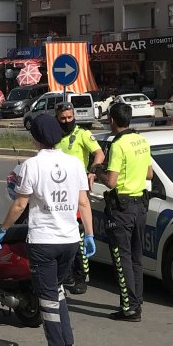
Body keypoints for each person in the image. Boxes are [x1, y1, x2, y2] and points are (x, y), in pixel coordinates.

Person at [0, 115, 94, 346]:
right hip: (71, 240)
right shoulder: (74, 163)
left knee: (48, 299)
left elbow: (19, 204)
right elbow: (84, 203)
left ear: (35, 138)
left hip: (43, 241)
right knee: (58, 290)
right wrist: (91, 235)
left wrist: (3, 230)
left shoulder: (31, 166)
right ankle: (68, 345)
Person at [101, 102, 152, 322]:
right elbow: (149, 174)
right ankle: (137, 301)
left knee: (122, 259)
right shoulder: (141, 140)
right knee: (136, 258)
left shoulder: (118, 145)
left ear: (112, 120)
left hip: (121, 208)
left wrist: (97, 171)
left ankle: (130, 308)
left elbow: (111, 182)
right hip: (140, 205)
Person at [54, 102, 104, 295]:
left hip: (78, 192)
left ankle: (81, 276)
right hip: (59, 192)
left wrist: (93, 171)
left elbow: (99, 154)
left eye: (69, 117)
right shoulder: (55, 137)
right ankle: (65, 274)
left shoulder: (82, 134)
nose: (67, 121)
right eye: (63, 118)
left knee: (79, 235)